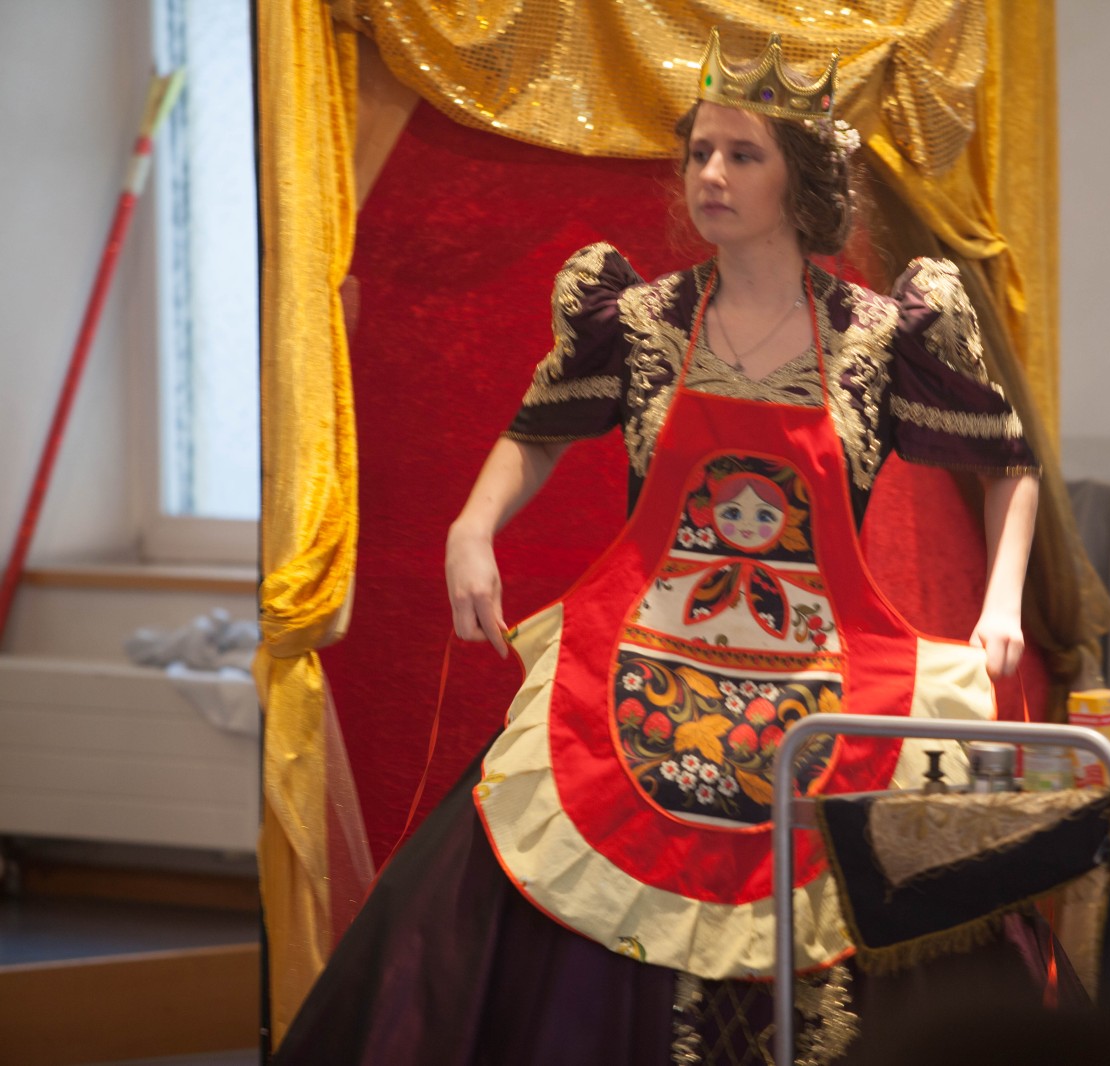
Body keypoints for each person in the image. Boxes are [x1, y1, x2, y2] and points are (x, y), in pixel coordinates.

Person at [274, 29, 1055, 1065]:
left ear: (800, 180)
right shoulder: (642, 322)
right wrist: (472, 526)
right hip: (646, 671)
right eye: (699, 153)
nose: (711, 175)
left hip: (825, 676)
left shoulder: (878, 335)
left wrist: (999, 603)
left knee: (888, 902)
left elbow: (1010, 463)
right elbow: (535, 434)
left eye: (742, 155)